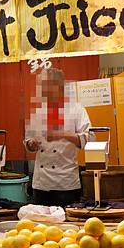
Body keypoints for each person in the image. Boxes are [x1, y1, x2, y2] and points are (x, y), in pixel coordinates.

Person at [24, 68, 93, 208]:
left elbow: (89, 138)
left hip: (65, 183)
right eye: (40, 85)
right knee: (41, 226)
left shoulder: (76, 109)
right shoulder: (38, 111)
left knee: (67, 227)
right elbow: (28, 142)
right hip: (41, 183)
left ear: (57, 85)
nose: (40, 89)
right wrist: (32, 143)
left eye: (44, 84)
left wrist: (61, 134)